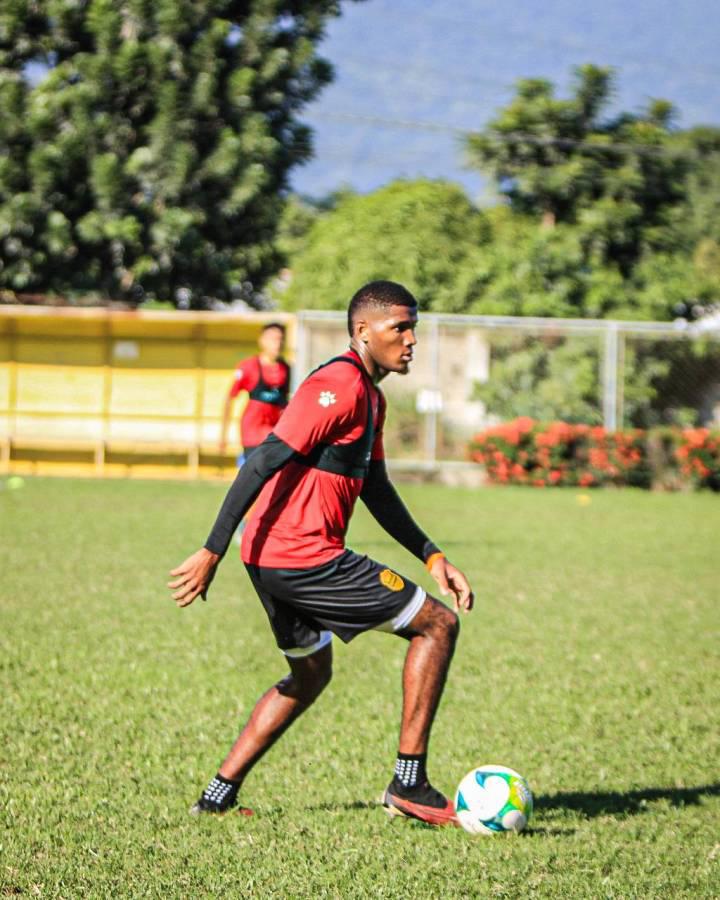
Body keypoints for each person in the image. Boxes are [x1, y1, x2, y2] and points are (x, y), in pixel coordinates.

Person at [169, 281, 474, 827]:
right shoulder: (339, 383)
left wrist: (432, 555)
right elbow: (262, 459)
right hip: (302, 555)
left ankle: (217, 795)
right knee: (437, 624)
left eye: (413, 328)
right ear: (363, 331)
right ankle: (410, 784)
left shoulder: (372, 399)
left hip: (271, 557)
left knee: (310, 675)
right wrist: (211, 547)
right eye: (399, 328)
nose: (410, 341)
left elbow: (375, 488)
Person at [219, 322, 291, 464]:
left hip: (275, 431)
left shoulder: (286, 368)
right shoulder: (248, 367)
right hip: (252, 431)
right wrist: (223, 435)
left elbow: (285, 402)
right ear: (262, 341)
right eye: (273, 339)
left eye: (281, 339)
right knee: (256, 474)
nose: (278, 343)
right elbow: (230, 398)